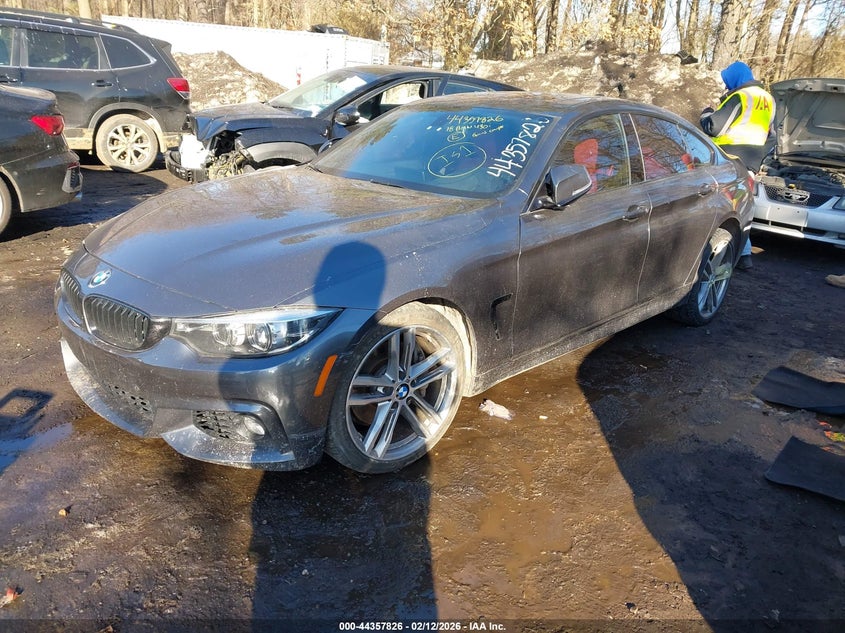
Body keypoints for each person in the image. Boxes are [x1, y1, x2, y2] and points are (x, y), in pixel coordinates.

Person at [700, 61, 775, 270]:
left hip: (728, 159)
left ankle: (724, 256)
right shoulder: (769, 100)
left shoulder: (740, 96)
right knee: (741, 205)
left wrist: (705, 114)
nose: (726, 86)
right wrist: (758, 158)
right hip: (750, 161)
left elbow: (715, 127)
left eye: (727, 81)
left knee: (723, 206)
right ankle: (744, 256)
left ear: (734, 79)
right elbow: (772, 136)